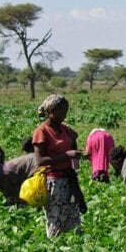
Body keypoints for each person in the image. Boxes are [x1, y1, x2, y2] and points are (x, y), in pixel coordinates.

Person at [32, 94, 84, 237]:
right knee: (55, 218)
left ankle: (75, 248)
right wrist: (67, 155)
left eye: (66, 112)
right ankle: (54, 250)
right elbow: (40, 160)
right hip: (53, 181)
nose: (64, 115)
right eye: (61, 112)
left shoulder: (65, 129)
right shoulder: (41, 131)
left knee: (73, 216)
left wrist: (75, 143)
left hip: (69, 178)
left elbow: (71, 146)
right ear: (51, 111)